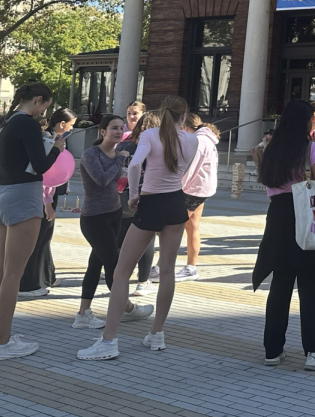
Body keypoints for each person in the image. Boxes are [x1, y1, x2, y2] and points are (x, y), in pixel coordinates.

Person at [77, 96, 198, 360]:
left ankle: (109, 340)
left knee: (122, 272)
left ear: (161, 111)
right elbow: (186, 169)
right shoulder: (191, 138)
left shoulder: (151, 135)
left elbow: (134, 164)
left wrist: (133, 194)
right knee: (167, 271)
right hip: (176, 201)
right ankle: (157, 334)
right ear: (184, 114)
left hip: (151, 201)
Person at [0, 81, 66, 360]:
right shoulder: (28, 124)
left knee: (0, 270)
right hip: (22, 194)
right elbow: (40, 166)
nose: (44, 113)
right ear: (38, 100)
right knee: (14, 273)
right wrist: (57, 147)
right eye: (45, 107)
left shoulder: (3, 123)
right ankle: (3, 345)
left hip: (0, 192)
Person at [253, 99, 315, 369]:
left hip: (278, 217)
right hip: (305, 217)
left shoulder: (272, 149)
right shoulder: (311, 149)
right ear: (305, 122)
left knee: (280, 284)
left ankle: (272, 349)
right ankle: (314, 351)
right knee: (309, 286)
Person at [73, 115, 153, 329]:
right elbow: (102, 179)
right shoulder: (91, 154)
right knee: (114, 265)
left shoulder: (116, 153)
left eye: (121, 128)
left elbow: (116, 180)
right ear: (102, 131)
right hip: (94, 217)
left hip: (114, 212)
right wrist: (120, 159)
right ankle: (128, 309)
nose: (119, 132)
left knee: (95, 264)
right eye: (114, 128)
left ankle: (83, 314)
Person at [20, 108, 77, 297]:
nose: (71, 128)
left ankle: (46, 276)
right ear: (62, 124)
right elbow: (46, 175)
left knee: (45, 239)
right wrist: (47, 203)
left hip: (50, 195)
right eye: (71, 125)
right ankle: (28, 284)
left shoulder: (56, 140)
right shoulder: (49, 140)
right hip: (44, 196)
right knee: (37, 240)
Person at [118, 111, 159, 296]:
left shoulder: (125, 142)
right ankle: (143, 281)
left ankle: (116, 274)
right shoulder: (155, 144)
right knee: (147, 238)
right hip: (145, 194)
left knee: (121, 237)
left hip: (120, 193)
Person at [176, 114, 220, 281]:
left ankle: (161, 266)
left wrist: (177, 187)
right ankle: (191, 267)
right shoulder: (208, 139)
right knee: (192, 227)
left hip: (191, 190)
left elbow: (190, 168)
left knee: (175, 228)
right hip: (201, 189)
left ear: (186, 127)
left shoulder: (199, 141)